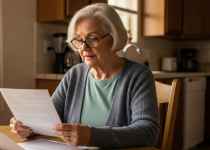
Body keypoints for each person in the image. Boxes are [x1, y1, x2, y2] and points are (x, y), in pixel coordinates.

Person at [9, 3, 160, 149]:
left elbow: (148, 131)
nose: (83, 48)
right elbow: (47, 120)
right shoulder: (74, 74)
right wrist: (27, 127)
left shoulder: (139, 75)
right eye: (79, 40)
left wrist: (93, 136)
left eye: (92, 39)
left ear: (114, 37)